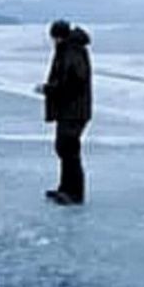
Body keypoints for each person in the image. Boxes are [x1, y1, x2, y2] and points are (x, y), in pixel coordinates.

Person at [38, 19, 92, 205]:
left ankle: (75, 193)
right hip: (69, 110)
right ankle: (65, 188)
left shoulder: (73, 51)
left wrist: (50, 89)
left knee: (69, 149)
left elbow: (75, 80)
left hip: (74, 111)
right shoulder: (67, 50)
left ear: (58, 36)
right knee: (63, 148)